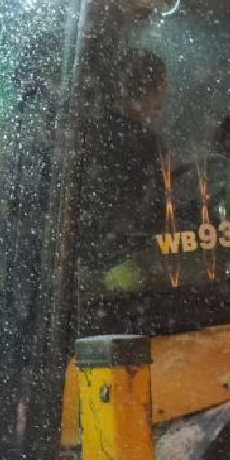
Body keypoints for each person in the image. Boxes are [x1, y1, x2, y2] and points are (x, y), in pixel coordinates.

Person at [78, 50, 169, 292]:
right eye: (160, 89)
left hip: (89, 262)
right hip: (122, 266)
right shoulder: (145, 144)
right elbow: (151, 212)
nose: (162, 102)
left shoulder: (90, 132)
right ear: (148, 90)